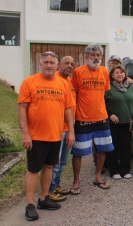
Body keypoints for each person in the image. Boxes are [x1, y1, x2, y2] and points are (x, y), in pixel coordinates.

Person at [18, 52, 74, 221]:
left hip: (56, 135)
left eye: (52, 62)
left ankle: (43, 199)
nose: (49, 65)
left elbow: (68, 110)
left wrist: (71, 131)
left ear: (57, 65)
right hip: (35, 136)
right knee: (33, 170)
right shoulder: (29, 82)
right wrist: (25, 134)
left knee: (49, 168)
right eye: (46, 62)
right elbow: (22, 109)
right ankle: (30, 205)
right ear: (40, 64)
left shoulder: (63, 84)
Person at [71, 43, 114, 194]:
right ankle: (76, 181)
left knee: (102, 150)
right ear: (86, 56)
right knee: (78, 152)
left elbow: (106, 93)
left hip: (102, 118)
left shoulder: (104, 72)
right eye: (93, 55)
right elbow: (73, 94)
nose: (96, 58)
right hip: (83, 118)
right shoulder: (78, 72)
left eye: (98, 55)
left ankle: (98, 177)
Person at [48, 56, 77, 202]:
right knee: (54, 162)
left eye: (72, 64)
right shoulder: (55, 79)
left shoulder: (69, 81)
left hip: (68, 128)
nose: (69, 66)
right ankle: (50, 190)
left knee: (63, 161)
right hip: (57, 129)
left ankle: (56, 184)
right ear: (59, 64)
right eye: (67, 63)